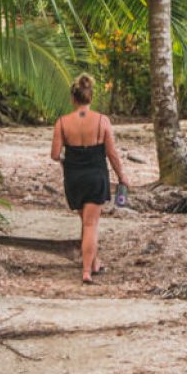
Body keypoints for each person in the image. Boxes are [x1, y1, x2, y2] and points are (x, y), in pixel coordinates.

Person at [50, 73, 131, 284]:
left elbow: (55, 153)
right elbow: (112, 154)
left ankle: (94, 263)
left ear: (73, 98)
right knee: (90, 225)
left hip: (74, 177)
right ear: (91, 97)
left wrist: (68, 160)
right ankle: (87, 271)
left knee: (86, 222)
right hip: (96, 177)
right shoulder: (103, 121)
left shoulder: (62, 122)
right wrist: (122, 176)